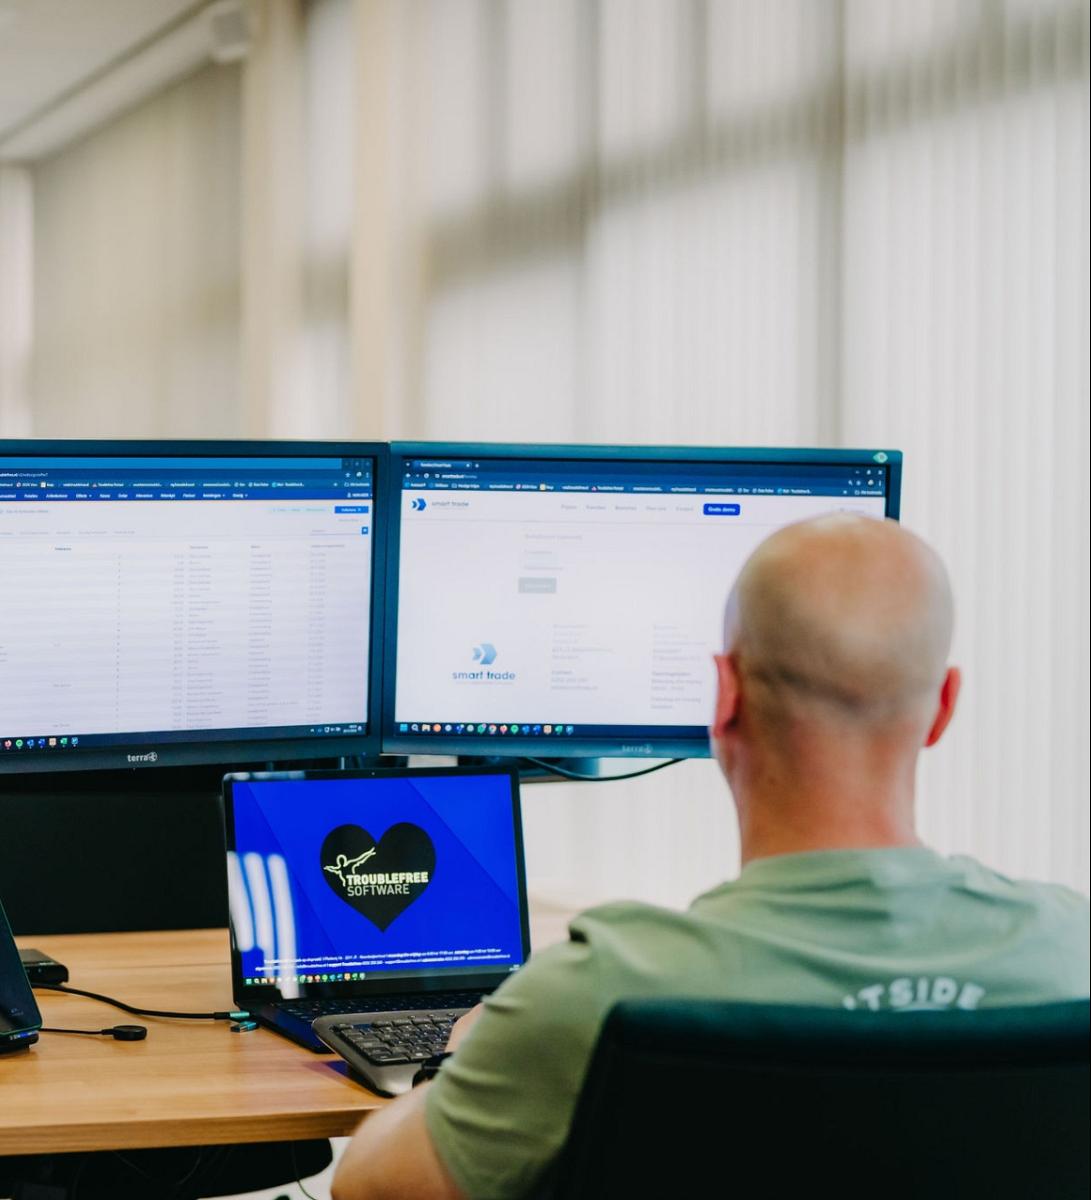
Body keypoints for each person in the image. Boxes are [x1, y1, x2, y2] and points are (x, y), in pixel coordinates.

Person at [331, 514, 1090, 1200]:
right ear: (943, 708)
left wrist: (463, 1063)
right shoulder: (1070, 954)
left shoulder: (601, 990)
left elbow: (370, 1188)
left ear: (722, 694)